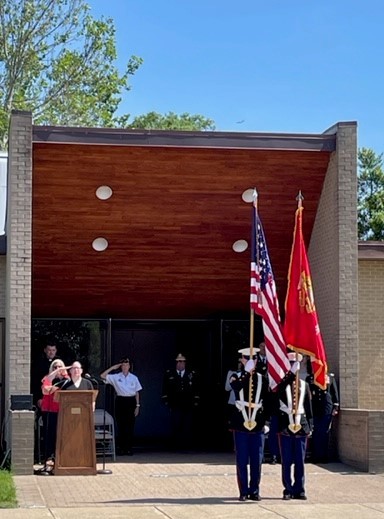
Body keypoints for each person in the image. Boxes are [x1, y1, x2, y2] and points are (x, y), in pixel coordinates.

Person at [229, 347, 271, 502]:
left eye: (252, 359)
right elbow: (236, 387)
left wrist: (266, 421)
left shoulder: (262, 378)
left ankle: (254, 490)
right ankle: (243, 491)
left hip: (257, 422)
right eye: (246, 359)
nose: (250, 361)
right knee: (242, 458)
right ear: (242, 360)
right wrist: (246, 373)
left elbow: (267, 401)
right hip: (241, 422)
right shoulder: (236, 376)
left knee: (256, 459)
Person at [277, 352, 313, 501]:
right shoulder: (282, 384)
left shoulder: (304, 385)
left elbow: (308, 408)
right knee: (286, 460)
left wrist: (310, 426)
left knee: (300, 460)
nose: (293, 366)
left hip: (301, 425)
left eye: (295, 364)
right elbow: (278, 393)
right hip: (286, 425)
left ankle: (300, 489)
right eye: (290, 364)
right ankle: (288, 489)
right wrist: (290, 375)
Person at [100, 357, 142, 456]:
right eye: (122, 365)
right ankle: (122, 448)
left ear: (129, 366)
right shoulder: (116, 376)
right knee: (121, 425)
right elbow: (102, 376)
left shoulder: (134, 378)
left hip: (131, 401)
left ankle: (129, 448)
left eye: (126, 365)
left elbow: (137, 392)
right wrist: (113, 368)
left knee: (130, 425)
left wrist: (137, 405)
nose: (124, 367)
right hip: (120, 401)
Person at [37, 359, 70, 475]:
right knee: (49, 436)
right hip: (49, 411)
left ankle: (60, 461)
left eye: (60, 367)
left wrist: (63, 374)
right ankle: (49, 461)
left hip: (62, 411)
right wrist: (55, 373)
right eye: (55, 367)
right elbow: (45, 391)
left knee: (61, 436)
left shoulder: (67, 380)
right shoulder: (48, 378)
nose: (58, 369)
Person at [161, 353, 200, 450]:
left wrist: (196, 400)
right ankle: (176, 445)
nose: (180, 363)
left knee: (187, 424)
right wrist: (166, 400)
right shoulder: (170, 373)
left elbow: (196, 388)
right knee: (176, 423)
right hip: (175, 403)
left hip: (188, 403)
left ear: (185, 363)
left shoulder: (191, 374)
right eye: (178, 361)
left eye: (182, 361)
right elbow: (165, 388)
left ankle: (186, 445)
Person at [307, 370, 340, 463]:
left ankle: (323, 456)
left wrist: (336, 407)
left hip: (326, 408)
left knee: (324, 432)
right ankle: (315, 455)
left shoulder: (330, 377)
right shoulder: (310, 378)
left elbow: (334, 392)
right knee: (315, 432)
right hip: (315, 408)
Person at [31, 343, 59, 407]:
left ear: (56, 351)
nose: (51, 352)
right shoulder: (38, 364)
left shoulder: (59, 363)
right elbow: (35, 382)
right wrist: (38, 398)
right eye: (49, 350)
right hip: (42, 396)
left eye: (53, 350)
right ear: (45, 350)